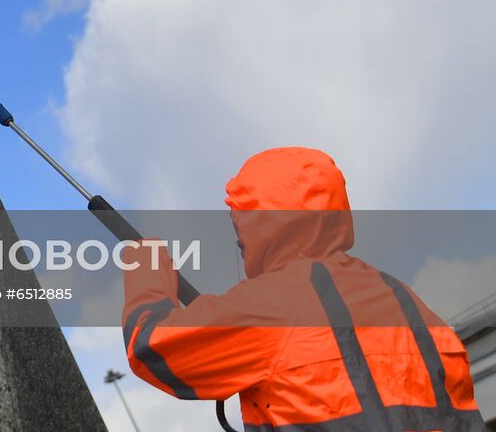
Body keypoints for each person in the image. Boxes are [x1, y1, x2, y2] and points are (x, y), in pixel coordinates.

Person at [122, 147, 483, 430]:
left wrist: (146, 269)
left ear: (262, 224)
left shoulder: (274, 303)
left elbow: (151, 346)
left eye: (241, 227)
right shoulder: (404, 298)